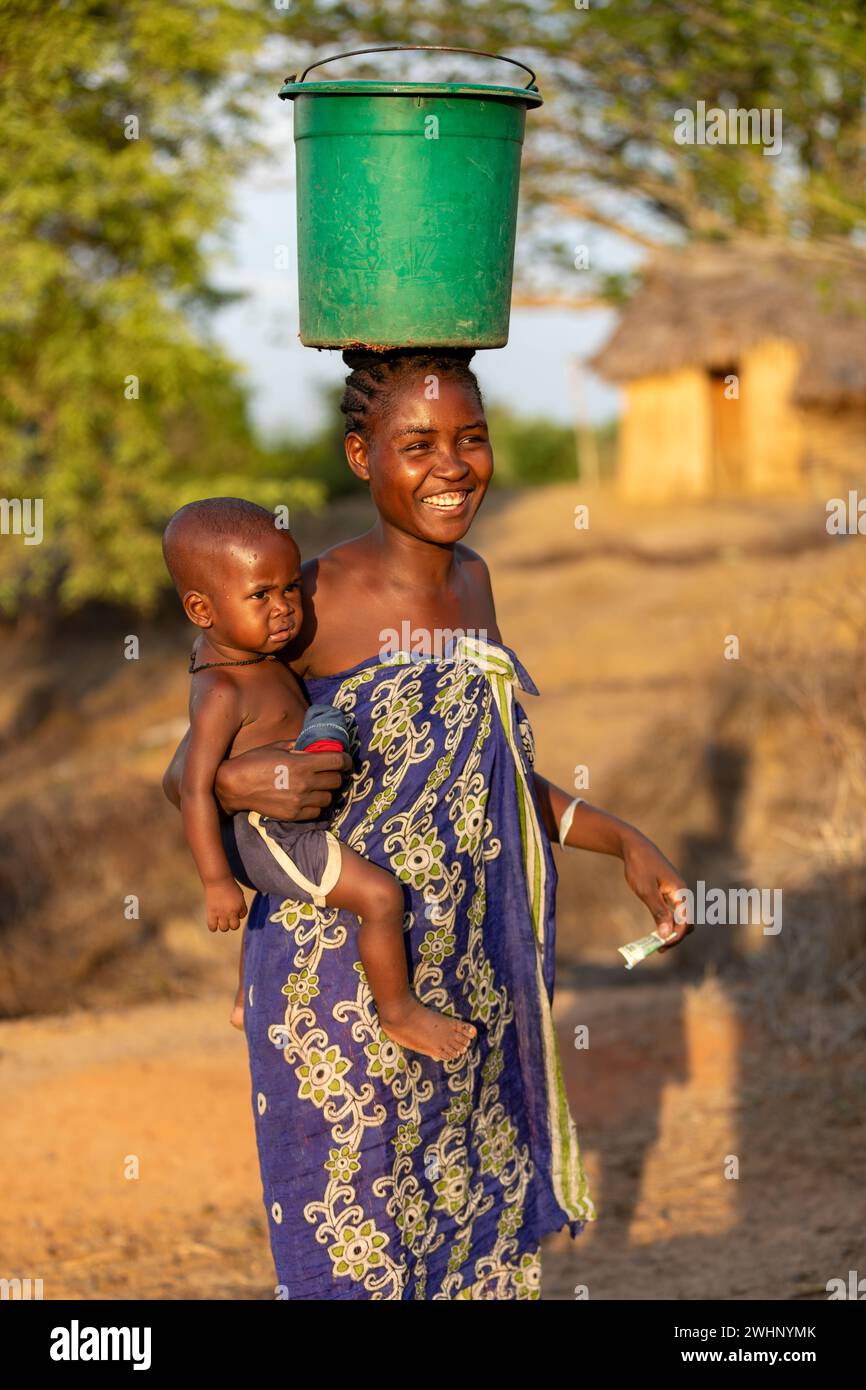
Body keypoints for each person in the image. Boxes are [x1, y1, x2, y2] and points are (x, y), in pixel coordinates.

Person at [163, 346, 692, 1300]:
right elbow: (193, 768)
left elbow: (480, 778)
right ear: (362, 457)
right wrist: (246, 781)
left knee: (467, 1220)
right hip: (340, 973)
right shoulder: (310, 598)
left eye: (471, 440)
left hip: (461, 968)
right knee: (358, 1234)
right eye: (417, 444)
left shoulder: (475, 583)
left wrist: (625, 842)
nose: (452, 468)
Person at [162, 496, 477, 1058]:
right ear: (201, 610)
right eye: (260, 595)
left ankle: (244, 998)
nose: (283, 607)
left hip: (278, 823)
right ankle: (399, 1012)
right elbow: (191, 785)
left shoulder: (256, 655)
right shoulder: (222, 689)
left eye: (288, 588)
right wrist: (215, 882)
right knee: (379, 897)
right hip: (268, 832)